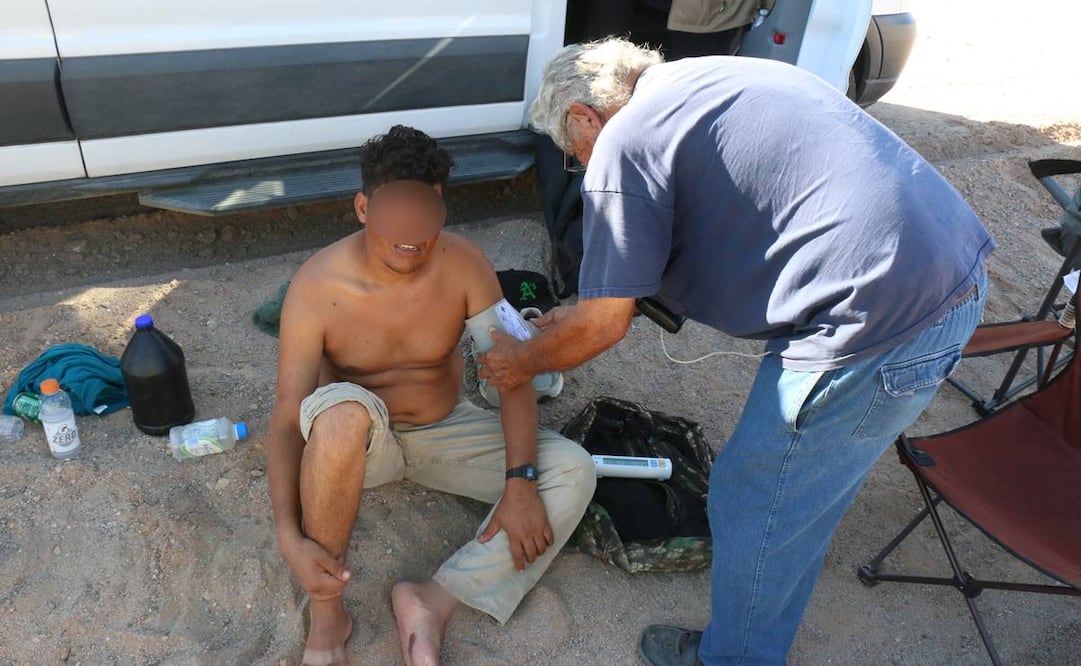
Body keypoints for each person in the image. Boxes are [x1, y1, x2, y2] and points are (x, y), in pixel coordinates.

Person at [478, 39, 994, 665]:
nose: (581, 166)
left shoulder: (621, 141)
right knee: (800, 493)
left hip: (872, 323)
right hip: (952, 274)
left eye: (572, 153)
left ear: (586, 117)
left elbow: (602, 328)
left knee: (756, 498)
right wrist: (598, 306)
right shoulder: (710, 79)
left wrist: (526, 358)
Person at [267, 125, 595, 666]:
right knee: (340, 418)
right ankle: (328, 615)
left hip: (446, 428)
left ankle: (430, 601)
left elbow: (511, 373)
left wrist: (519, 483)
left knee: (572, 470)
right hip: (358, 449)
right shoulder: (317, 285)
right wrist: (287, 535)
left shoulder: (463, 264)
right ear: (363, 208)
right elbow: (285, 418)